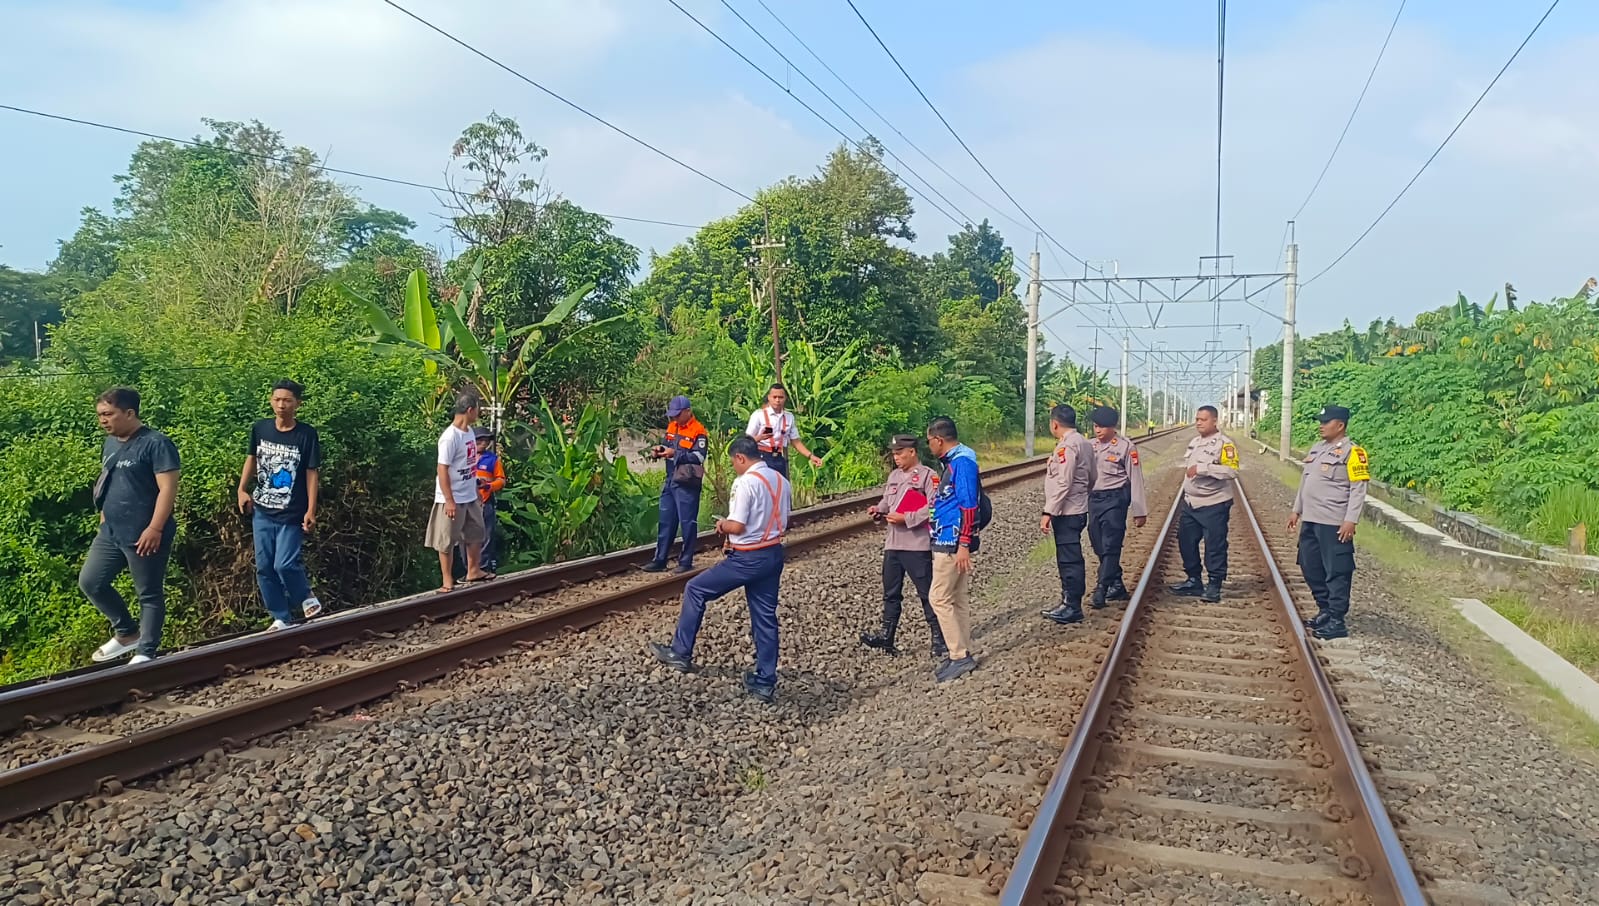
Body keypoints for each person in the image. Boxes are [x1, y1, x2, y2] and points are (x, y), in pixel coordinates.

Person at [650, 435, 792, 703]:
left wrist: (723, 525)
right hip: (773, 552)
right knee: (764, 617)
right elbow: (785, 518)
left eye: (733, 462)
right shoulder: (780, 480)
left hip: (747, 558)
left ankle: (680, 652)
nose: (733, 467)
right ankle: (764, 680)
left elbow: (737, 526)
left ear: (741, 457)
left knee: (695, 589)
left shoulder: (745, 482)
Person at [80, 387, 180, 664]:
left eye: (108, 414)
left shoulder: (156, 443)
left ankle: (146, 651)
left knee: (148, 593)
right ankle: (126, 632)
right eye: (100, 414)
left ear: (129, 413)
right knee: (91, 582)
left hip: (144, 533)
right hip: (111, 532)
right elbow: (110, 484)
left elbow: (168, 489)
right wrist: (103, 520)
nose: (103, 420)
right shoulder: (110, 444)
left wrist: (155, 528)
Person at [237, 379, 324, 631]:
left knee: (284, 564)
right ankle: (280, 616)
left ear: (298, 404)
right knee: (264, 567)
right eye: (277, 399)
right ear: (270, 400)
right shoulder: (261, 429)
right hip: (262, 510)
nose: (281, 405)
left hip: (292, 512)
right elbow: (251, 459)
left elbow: (311, 473)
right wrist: (242, 489)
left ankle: (306, 596)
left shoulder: (306, 434)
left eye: (287, 400)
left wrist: (311, 509)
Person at [860, 434, 947, 658]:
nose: (896, 457)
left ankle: (939, 638)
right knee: (891, 593)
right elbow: (887, 502)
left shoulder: (929, 476)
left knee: (927, 593)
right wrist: (878, 510)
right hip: (894, 544)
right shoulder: (894, 476)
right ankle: (887, 636)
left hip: (917, 545)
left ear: (912, 452)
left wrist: (907, 518)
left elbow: (934, 509)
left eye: (899, 453)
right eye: (894, 453)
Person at [1290, 405, 1369, 640]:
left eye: (1326, 422)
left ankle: (1337, 619)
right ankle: (1325, 608)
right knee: (1309, 564)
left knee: (1337, 570)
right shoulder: (1317, 449)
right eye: (1321, 421)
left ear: (1340, 425)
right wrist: (1296, 510)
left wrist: (1351, 520)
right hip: (1312, 519)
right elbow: (1306, 482)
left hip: (1334, 522)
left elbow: (1359, 489)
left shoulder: (1354, 452)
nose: (1321, 425)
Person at [925, 416, 980, 683]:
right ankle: (962, 650)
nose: (929, 446)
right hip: (949, 539)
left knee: (939, 597)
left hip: (951, 541)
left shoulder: (962, 463)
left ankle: (959, 654)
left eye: (929, 441)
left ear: (939, 439)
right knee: (957, 597)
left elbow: (969, 504)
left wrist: (964, 543)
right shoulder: (955, 461)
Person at [1170, 405, 1239, 602]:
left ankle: (1215, 584)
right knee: (1186, 542)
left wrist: (1203, 468)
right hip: (1191, 503)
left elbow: (1232, 471)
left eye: (1203, 419)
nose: (1198, 422)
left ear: (1215, 421)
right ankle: (1193, 580)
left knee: (1214, 546)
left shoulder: (1225, 444)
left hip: (1214, 503)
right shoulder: (1195, 442)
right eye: (1197, 419)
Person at [427, 393, 492, 592]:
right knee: (446, 539)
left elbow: (469, 464)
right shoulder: (449, 437)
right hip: (452, 496)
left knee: (476, 532)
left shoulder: (470, 432)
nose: (479, 412)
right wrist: (449, 500)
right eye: (478, 409)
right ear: (470, 410)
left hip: (469, 493)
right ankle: (447, 580)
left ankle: (474, 570)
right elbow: (442, 469)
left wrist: (475, 487)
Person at [1040, 405, 1097, 625]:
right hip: (1078, 508)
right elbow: (1093, 476)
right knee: (1070, 557)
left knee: (1069, 559)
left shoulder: (1068, 446)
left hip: (1067, 511)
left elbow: (1064, 481)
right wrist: (1083, 495)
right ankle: (1068, 602)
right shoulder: (1084, 442)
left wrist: (1049, 511)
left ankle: (1072, 606)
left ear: (1054, 424)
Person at [1087, 406, 1148, 608]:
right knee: (1098, 543)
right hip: (1094, 500)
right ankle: (1117, 583)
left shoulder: (1126, 447)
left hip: (1115, 500)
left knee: (1112, 545)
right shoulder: (1089, 446)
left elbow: (1136, 479)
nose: (1098, 430)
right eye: (1095, 426)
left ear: (1112, 427)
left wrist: (1139, 511)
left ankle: (1101, 588)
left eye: (1102, 427)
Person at [643, 395, 709, 574]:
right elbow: (667, 446)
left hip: (687, 482)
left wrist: (675, 453)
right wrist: (659, 451)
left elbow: (699, 457)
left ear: (688, 411)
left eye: (677, 415)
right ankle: (660, 559)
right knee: (666, 521)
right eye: (672, 415)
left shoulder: (698, 431)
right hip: (670, 479)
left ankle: (686, 561)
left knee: (687, 522)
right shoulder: (672, 426)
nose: (674, 418)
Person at [745, 383, 823, 479]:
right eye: (774, 397)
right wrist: (759, 438)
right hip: (761, 456)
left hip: (778, 457)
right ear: (769, 397)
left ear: (785, 398)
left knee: (780, 488)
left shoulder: (789, 417)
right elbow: (747, 440)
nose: (777, 400)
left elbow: (796, 441)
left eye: (780, 397)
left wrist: (810, 456)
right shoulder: (758, 415)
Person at [473, 427, 506, 575]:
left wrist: (489, 486)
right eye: (480, 440)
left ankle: (483, 567)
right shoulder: (464, 458)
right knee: (466, 537)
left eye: (485, 441)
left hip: (485, 501)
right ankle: (469, 567)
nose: (483, 443)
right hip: (468, 502)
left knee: (486, 535)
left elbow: (501, 480)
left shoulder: (493, 460)